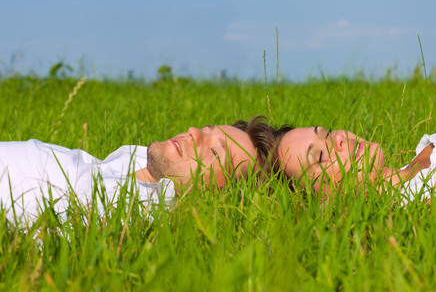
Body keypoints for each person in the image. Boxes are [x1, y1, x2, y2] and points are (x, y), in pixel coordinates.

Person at [0, 119, 262, 222]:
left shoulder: (132, 212)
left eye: (215, 152)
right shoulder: (140, 164)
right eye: (206, 130)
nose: (194, 133)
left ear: (217, 193)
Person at [276, 120, 436, 202]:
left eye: (326, 133)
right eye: (320, 156)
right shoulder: (424, 202)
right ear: (324, 194)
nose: (338, 141)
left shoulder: (419, 160)